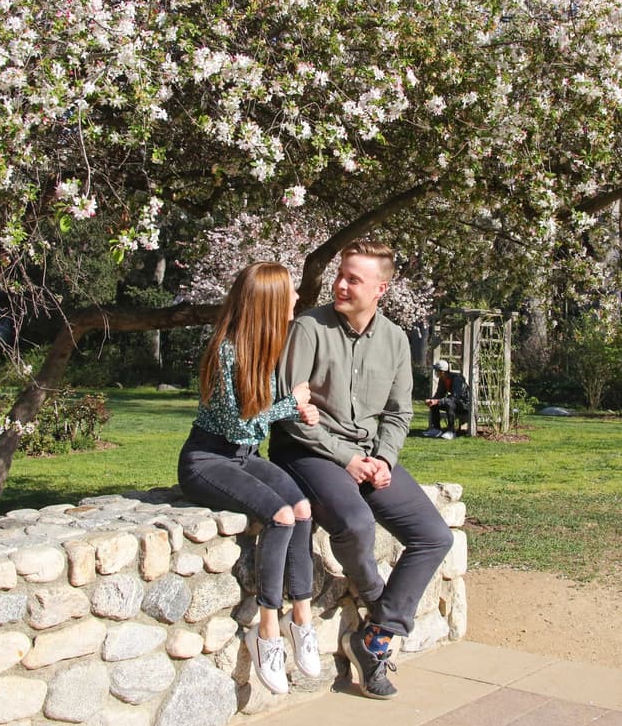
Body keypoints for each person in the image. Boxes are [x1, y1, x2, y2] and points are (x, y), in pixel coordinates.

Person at [269, 240, 454, 701]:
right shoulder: (309, 328)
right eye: (340, 274)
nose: (341, 284)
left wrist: (383, 460)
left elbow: (398, 412)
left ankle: (375, 635)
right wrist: (346, 458)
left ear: (380, 289)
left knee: (435, 536)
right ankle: (378, 604)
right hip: (308, 451)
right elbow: (289, 410)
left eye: (353, 278)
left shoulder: (394, 339)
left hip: (370, 455)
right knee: (354, 523)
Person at [176, 261, 322, 695]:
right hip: (207, 461)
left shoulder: (269, 346)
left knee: (302, 509)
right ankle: (267, 632)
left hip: (243, 457)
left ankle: (302, 618)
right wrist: (290, 404)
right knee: (279, 516)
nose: (297, 298)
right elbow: (242, 426)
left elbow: (257, 422)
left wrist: (299, 408)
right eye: (291, 292)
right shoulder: (226, 350)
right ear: (270, 302)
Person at [424, 359, 470, 440]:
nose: (436, 372)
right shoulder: (442, 379)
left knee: (449, 404)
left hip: (464, 404)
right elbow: (439, 394)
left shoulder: (457, 379)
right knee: (434, 404)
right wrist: (431, 400)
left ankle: (451, 431)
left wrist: (438, 401)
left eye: (437, 371)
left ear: (443, 371)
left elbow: (456, 397)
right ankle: (436, 429)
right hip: (453, 402)